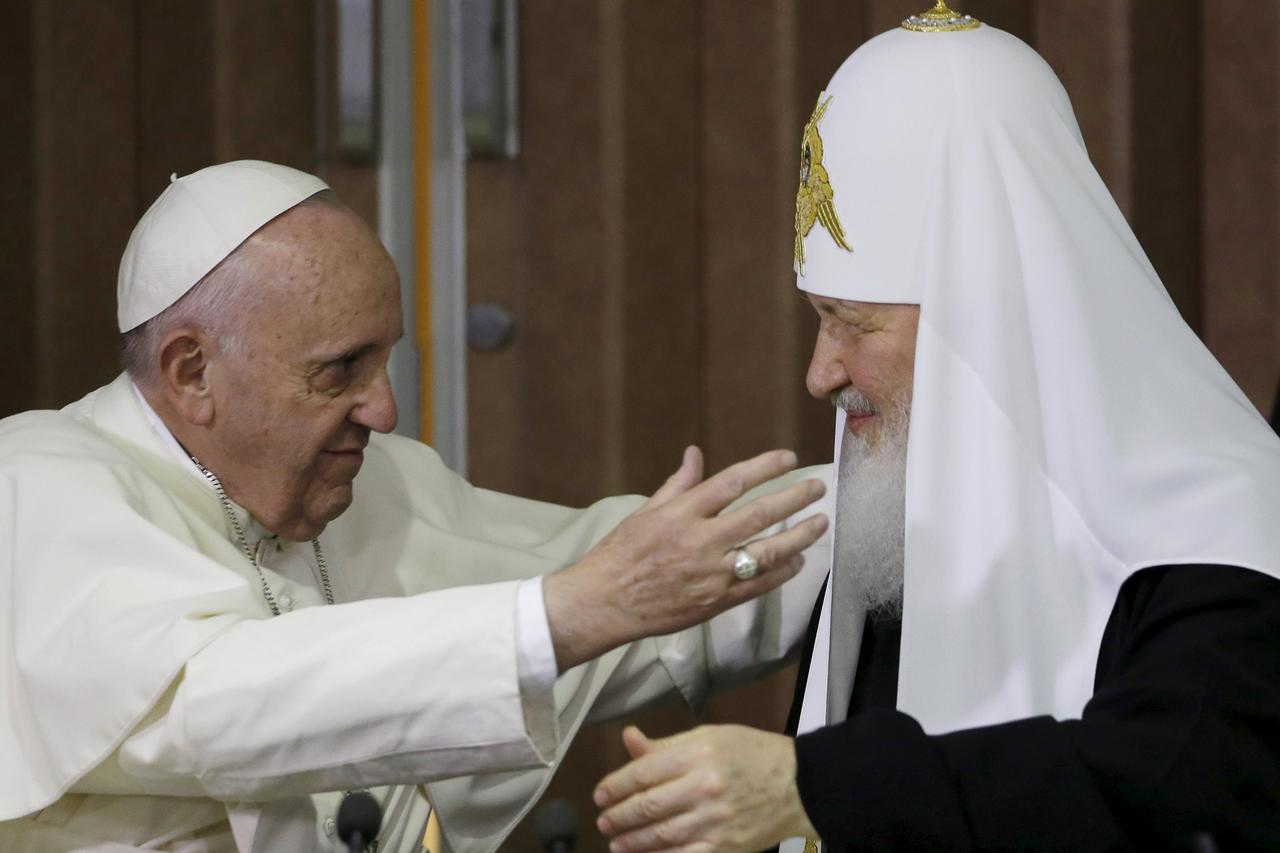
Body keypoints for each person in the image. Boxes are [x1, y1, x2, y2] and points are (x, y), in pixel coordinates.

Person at [593, 5, 1280, 851]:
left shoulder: (1225, 539)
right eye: (818, 317)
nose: (821, 372)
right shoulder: (903, 518)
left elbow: (1174, 793)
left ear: (982, 319)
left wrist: (823, 787)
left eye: (853, 322)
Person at [0, 160, 833, 851]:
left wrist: (888, 502)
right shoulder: (40, 483)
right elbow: (218, 701)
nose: (385, 411)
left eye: (386, 360)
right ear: (191, 372)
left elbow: (626, 591)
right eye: (340, 370)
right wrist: (571, 610)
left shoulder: (377, 483)